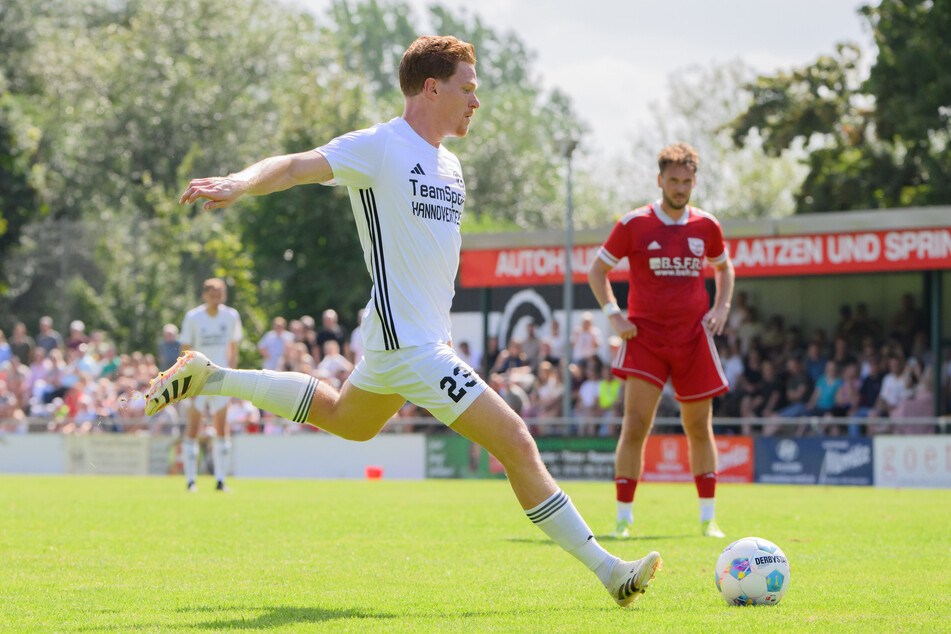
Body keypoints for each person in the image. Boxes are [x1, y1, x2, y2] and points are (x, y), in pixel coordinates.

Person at [144, 35, 660, 606]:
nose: (476, 102)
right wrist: (240, 183)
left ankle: (211, 377)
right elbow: (294, 166)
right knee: (516, 440)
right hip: (408, 343)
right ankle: (610, 571)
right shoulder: (381, 146)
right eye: (468, 89)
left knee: (347, 418)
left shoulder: (451, 164)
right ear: (432, 87)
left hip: (410, 340)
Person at [587, 142, 735, 539]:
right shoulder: (634, 224)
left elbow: (724, 268)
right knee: (635, 426)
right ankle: (623, 520)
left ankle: (708, 519)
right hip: (645, 336)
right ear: (660, 180)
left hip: (692, 338)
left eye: (687, 181)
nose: (680, 187)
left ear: (694, 182)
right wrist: (613, 315)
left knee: (699, 428)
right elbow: (597, 271)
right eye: (673, 180)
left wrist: (721, 308)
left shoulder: (707, 225)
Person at [178, 277, 243, 492]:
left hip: (222, 378)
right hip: (198, 379)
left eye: (220, 295)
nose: (216, 299)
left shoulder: (231, 316)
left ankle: (220, 480)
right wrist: (188, 381)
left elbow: (233, 349)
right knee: (193, 428)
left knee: (221, 428)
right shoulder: (193, 317)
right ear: (205, 295)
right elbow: (185, 351)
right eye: (212, 295)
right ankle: (190, 481)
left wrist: (232, 375)